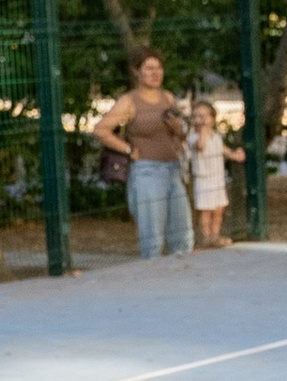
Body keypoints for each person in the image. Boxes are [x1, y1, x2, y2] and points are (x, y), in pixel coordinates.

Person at [91, 51, 194, 259]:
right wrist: (128, 150)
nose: (155, 73)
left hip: (173, 170)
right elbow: (101, 130)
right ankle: (152, 283)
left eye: (158, 68)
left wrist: (178, 128)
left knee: (183, 236)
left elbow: (181, 134)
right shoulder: (130, 101)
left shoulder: (168, 98)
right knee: (152, 238)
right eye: (149, 68)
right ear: (136, 72)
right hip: (147, 172)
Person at [188, 99, 230, 249]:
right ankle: (206, 237)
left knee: (218, 210)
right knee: (206, 211)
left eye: (203, 116)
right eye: (196, 116)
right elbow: (200, 146)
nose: (199, 120)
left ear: (212, 118)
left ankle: (215, 235)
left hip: (217, 179)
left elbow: (222, 149)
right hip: (203, 180)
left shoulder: (216, 136)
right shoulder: (193, 137)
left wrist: (234, 154)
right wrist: (202, 131)